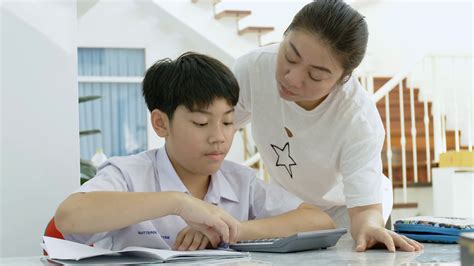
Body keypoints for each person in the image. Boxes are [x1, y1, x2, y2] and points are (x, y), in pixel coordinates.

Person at [54, 52, 335, 251]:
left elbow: (318, 221)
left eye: (227, 122)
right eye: (201, 122)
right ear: (161, 123)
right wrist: (178, 202)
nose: (219, 137)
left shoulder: (240, 181)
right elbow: (69, 216)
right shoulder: (128, 174)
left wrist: (230, 230)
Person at [232, 0, 423, 252]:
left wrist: (369, 226)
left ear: (342, 79)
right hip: (290, 207)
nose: (292, 78)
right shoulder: (253, 69)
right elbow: (213, 127)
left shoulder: (357, 118)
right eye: (290, 56)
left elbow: (365, 209)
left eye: (316, 75)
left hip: (347, 209)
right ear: (285, 36)